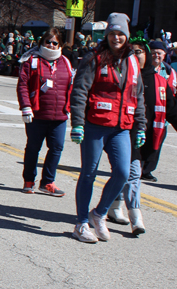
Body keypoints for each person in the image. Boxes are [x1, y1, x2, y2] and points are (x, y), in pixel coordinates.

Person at [69, 13, 146, 243]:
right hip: (95, 124)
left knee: (123, 173)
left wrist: (140, 127)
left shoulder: (132, 61)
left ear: (127, 35)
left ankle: (99, 213)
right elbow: (80, 91)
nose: (116, 38)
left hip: (121, 127)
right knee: (89, 173)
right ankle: (81, 223)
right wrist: (78, 123)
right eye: (112, 33)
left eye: (120, 33)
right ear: (107, 35)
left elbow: (138, 95)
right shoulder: (94, 58)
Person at [107, 35, 177, 234]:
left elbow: (172, 110)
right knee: (132, 174)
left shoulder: (160, 82)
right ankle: (136, 216)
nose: (136, 55)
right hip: (124, 134)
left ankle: (114, 206)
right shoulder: (121, 76)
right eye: (132, 52)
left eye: (139, 52)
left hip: (150, 135)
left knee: (124, 174)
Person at [17, 27, 73, 197]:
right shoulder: (31, 60)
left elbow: (71, 86)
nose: (51, 45)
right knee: (33, 148)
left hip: (59, 116)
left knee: (56, 148)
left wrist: (69, 108)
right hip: (37, 114)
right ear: (41, 43)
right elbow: (23, 85)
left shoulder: (65, 62)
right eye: (47, 41)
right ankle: (29, 180)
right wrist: (26, 106)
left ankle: (48, 181)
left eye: (55, 42)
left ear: (60, 45)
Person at [140, 40, 177, 182]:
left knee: (156, 142)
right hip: (144, 114)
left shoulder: (168, 71)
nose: (156, 55)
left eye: (159, 53)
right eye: (153, 52)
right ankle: (137, 166)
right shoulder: (140, 71)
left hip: (163, 114)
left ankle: (147, 170)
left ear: (164, 54)